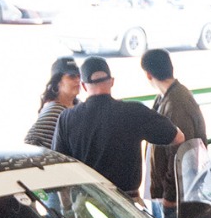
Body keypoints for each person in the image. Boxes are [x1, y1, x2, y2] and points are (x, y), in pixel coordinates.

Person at [52, 55, 183, 200]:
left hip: (87, 204)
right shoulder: (133, 111)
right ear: (112, 82)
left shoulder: (66, 118)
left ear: (83, 86)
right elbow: (178, 137)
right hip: (127, 204)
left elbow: (59, 166)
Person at [138, 48, 206, 218]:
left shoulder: (176, 103)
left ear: (148, 74)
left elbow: (181, 155)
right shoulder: (166, 98)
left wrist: (169, 196)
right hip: (169, 194)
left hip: (175, 199)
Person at [23, 56, 80, 149]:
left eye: (79, 76)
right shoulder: (55, 111)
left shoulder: (77, 107)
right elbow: (30, 145)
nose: (78, 80)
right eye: (72, 77)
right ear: (57, 82)